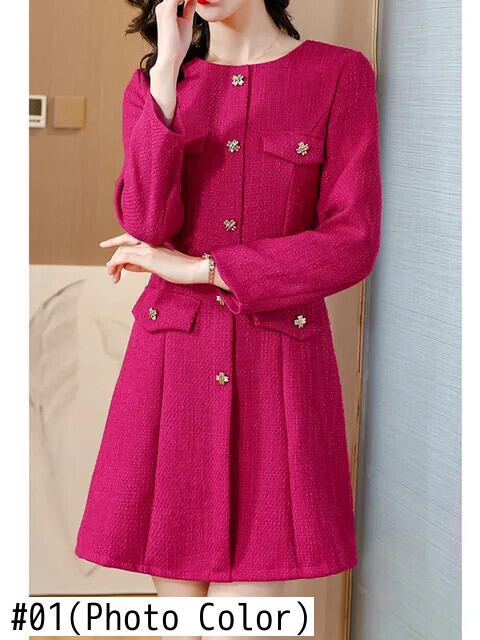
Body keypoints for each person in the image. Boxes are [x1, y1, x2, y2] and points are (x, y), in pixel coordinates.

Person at [75, 0, 382, 609]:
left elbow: (352, 243)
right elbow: (145, 222)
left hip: (278, 373)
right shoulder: (154, 87)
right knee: (183, 620)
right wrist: (166, 74)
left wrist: (206, 268)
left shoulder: (338, 75)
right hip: (174, 371)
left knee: (243, 620)